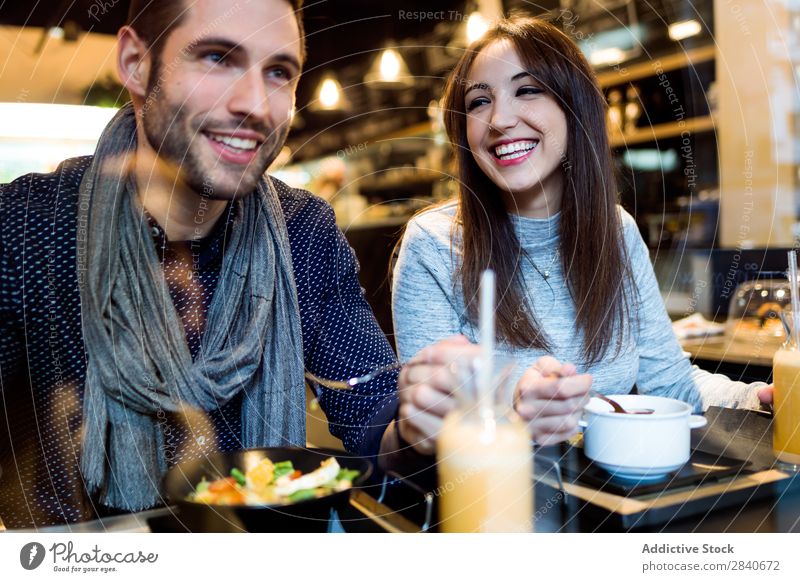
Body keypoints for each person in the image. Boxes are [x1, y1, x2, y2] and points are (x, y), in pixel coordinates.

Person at [0, 0, 455, 529]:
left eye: (279, 72)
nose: (256, 105)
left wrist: (422, 424)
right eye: (217, 58)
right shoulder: (26, 231)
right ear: (136, 64)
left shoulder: (302, 231)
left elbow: (375, 423)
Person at [392, 16, 773, 447]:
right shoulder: (434, 245)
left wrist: (755, 396)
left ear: (575, 108)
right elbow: (433, 431)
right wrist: (513, 415)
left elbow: (669, 384)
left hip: (618, 500)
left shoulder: (617, 232)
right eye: (478, 102)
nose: (499, 118)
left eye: (528, 89)